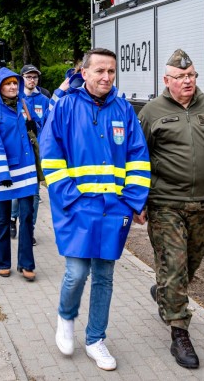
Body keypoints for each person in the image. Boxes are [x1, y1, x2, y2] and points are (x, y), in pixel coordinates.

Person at [39, 48, 150, 371]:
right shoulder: (65, 106)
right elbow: (50, 155)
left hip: (113, 210)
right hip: (76, 208)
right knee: (76, 273)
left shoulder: (124, 110)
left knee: (104, 276)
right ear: (83, 73)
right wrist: (68, 197)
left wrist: (133, 201)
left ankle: (95, 340)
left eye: (111, 72)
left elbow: (138, 157)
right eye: (100, 71)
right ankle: (66, 317)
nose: (106, 77)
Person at [135, 49, 204, 369]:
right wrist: (137, 202)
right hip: (165, 204)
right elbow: (138, 160)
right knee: (175, 265)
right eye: (181, 77)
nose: (188, 81)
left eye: (192, 76)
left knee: (190, 261)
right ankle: (179, 333)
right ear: (167, 80)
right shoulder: (152, 112)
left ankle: (166, 290)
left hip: (202, 205)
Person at [0, 67, 41, 281]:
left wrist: (35, 124)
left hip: (26, 169)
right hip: (4, 173)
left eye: (15, 83)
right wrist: (1, 172)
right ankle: (3, 262)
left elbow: (36, 130)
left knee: (26, 217)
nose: (13, 86)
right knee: (3, 219)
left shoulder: (24, 104)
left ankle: (26, 264)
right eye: (8, 83)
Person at [9, 64, 51, 244]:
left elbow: (49, 125)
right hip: (19, 152)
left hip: (37, 153)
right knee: (19, 190)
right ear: (22, 79)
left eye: (35, 77)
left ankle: (29, 229)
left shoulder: (44, 99)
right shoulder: (16, 100)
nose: (32, 80)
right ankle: (12, 218)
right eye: (28, 77)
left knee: (34, 193)